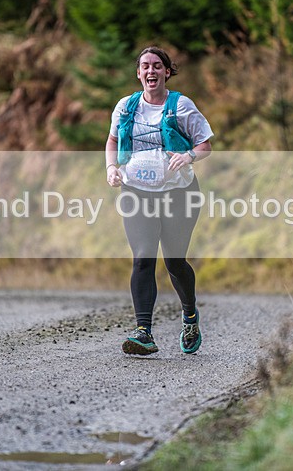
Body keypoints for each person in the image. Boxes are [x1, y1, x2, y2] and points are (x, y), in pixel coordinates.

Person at [105, 46, 213, 355]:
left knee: (174, 261)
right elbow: (112, 141)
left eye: (157, 66)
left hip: (179, 193)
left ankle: (189, 314)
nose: (151, 71)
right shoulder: (126, 106)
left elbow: (205, 145)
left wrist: (189, 155)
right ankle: (143, 332)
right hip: (136, 192)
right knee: (143, 258)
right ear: (138, 74)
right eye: (145, 67)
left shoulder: (182, 106)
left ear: (167, 71)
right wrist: (111, 168)